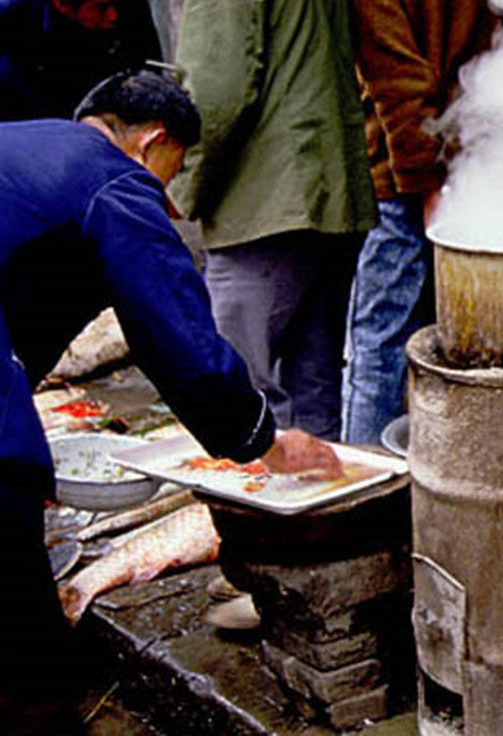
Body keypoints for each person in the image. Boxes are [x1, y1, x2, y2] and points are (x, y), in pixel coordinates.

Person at [0, 70, 342, 735]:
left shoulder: (28, 147)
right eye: (172, 174)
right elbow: (174, 334)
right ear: (151, 143)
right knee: (30, 662)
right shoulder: (114, 180)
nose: (169, 200)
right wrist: (264, 441)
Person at [275, 0, 493, 444]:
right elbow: (485, 36)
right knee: (454, 332)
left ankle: (369, 477)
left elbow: (397, 87)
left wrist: (422, 182)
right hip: (471, 150)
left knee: (376, 334)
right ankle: (437, 459)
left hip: (403, 174)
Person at [170, 0, 377, 441]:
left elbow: (216, 92)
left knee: (238, 387)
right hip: (333, 199)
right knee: (315, 385)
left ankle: (252, 528)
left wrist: (182, 187)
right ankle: (316, 529)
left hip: (266, 208)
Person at [0, 0, 162, 120]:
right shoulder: (8, 3)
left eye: (114, 3)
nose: (113, 15)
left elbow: (147, 68)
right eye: (101, 8)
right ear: (62, 5)